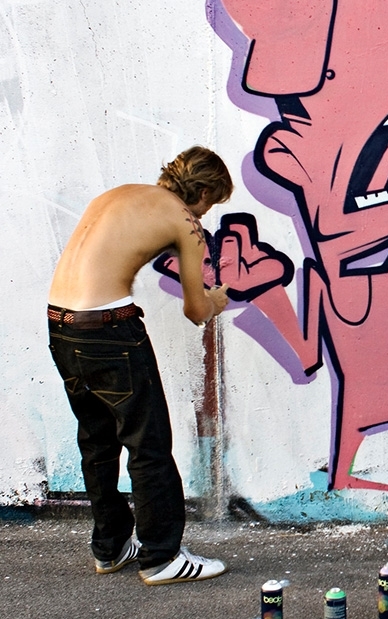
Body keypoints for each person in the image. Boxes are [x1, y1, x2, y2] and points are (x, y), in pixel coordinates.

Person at [46, 146, 232, 585]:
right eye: (212, 203)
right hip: (110, 330)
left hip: (61, 325)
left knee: (97, 442)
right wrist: (216, 301)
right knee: (149, 446)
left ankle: (110, 548)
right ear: (204, 192)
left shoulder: (116, 194)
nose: (205, 214)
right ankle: (162, 558)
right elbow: (195, 310)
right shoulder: (185, 220)